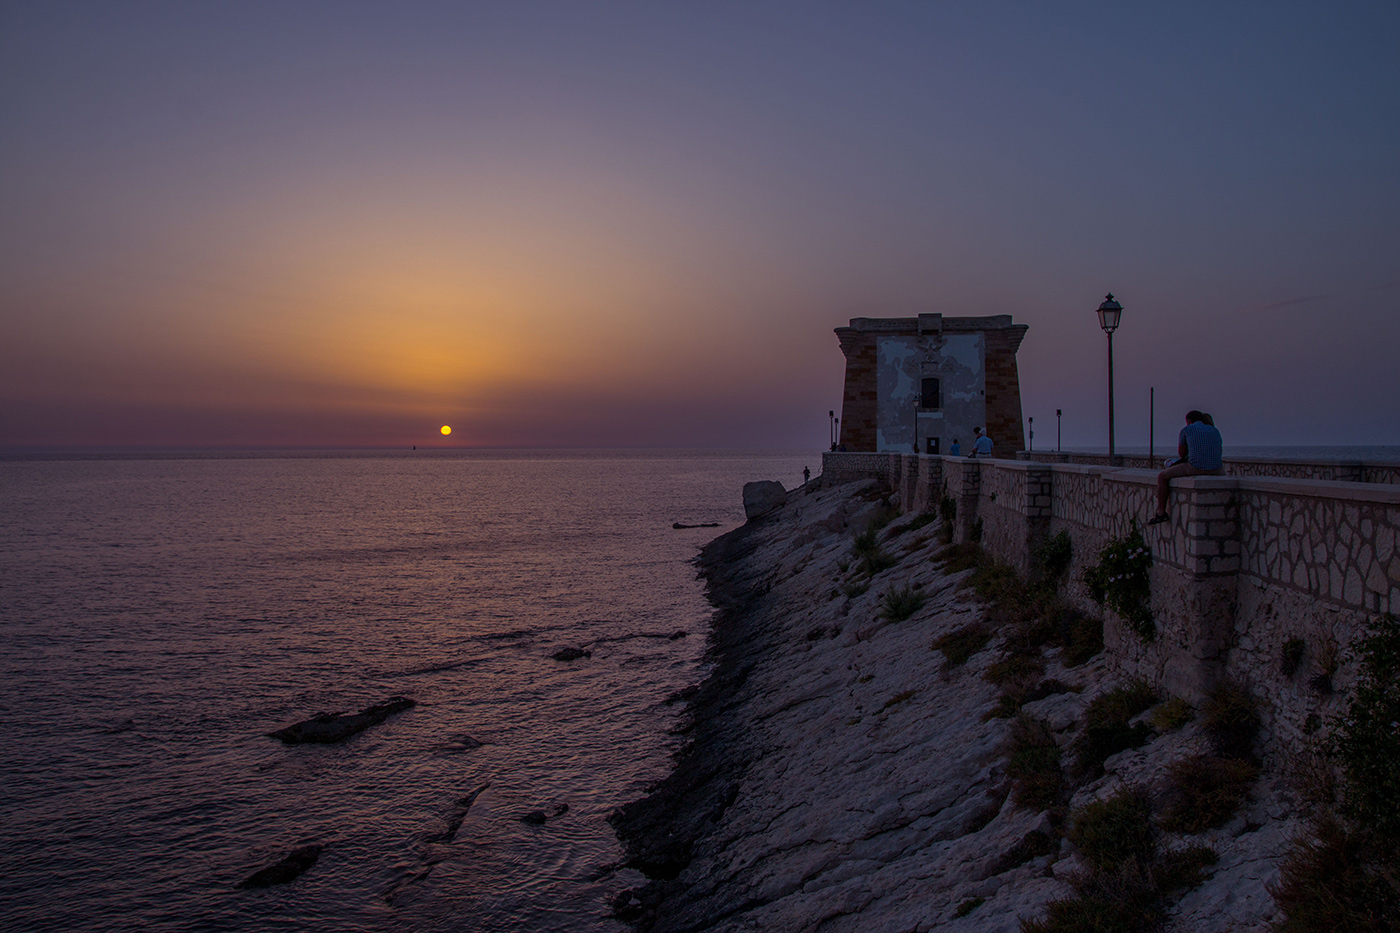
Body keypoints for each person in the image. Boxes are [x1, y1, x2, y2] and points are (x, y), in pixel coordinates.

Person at [1150, 410, 1223, 524]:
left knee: (1162, 476)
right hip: (1217, 469)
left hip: (1196, 467)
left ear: (1189, 421)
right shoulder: (1214, 430)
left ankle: (1160, 512)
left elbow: (1182, 454)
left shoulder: (1186, 430)